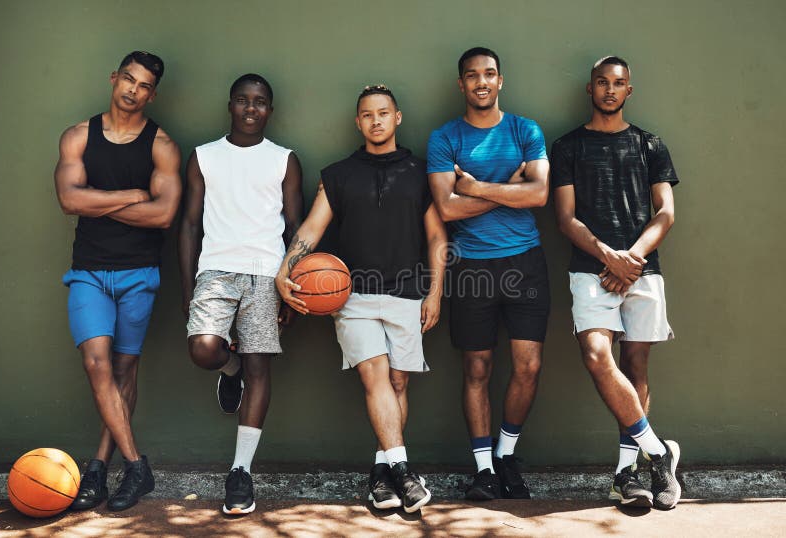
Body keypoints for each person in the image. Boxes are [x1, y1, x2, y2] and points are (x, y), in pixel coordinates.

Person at [276, 85, 446, 513]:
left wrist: (436, 293)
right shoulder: (337, 175)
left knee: (399, 382)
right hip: (352, 297)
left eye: (383, 113)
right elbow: (312, 229)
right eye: (368, 115)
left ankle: (381, 474)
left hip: (408, 293)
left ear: (397, 117)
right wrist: (285, 269)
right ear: (358, 122)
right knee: (376, 376)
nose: (376, 121)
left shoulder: (420, 172)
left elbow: (437, 237)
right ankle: (405, 471)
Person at [551, 56, 681, 510]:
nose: (610, 90)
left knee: (637, 367)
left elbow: (665, 212)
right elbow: (565, 218)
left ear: (630, 90)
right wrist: (610, 257)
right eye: (602, 83)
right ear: (590, 89)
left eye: (619, 83)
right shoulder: (567, 146)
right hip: (591, 269)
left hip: (643, 268)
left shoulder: (650, 144)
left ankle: (629, 475)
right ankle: (660, 452)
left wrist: (634, 258)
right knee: (596, 356)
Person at [54, 51, 181, 511]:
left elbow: (164, 214)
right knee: (97, 364)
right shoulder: (78, 137)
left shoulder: (162, 145)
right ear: (114, 78)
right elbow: (69, 200)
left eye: (144, 85)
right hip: (88, 271)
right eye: (128, 79)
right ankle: (137, 466)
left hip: (139, 275)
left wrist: (97, 200)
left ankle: (98, 468)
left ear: (152, 93)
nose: (133, 90)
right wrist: (130, 195)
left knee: (124, 371)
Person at [427, 47, 550, 500]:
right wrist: (511, 190)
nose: (482, 82)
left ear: (501, 81)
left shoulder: (525, 129)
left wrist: (475, 187)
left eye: (490, 74)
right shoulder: (445, 138)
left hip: (525, 263)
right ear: (461, 84)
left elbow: (539, 195)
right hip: (472, 267)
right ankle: (483, 468)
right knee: (476, 367)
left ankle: (506, 455)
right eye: (472, 76)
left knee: (529, 366)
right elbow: (445, 208)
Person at [178, 73, 303, 515]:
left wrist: (290, 287)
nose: (252, 109)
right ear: (230, 105)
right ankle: (229, 369)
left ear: (271, 109)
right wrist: (190, 286)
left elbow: (294, 230)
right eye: (243, 100)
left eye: (261, 102)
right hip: (215, 269)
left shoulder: (284, 160)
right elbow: (190, 224)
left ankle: (240, 472)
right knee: (204, 348)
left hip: (267, 274)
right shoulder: (204, 157)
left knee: (261, 366)